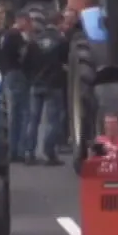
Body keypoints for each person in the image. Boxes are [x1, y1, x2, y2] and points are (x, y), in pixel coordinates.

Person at [29, 10, 76, 165]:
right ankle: (49, 152)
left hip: (37, 82)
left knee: (33, 120)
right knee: (52, 120)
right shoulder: (61, 41)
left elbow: (27, 61)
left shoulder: (36, 40)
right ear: (59, 22)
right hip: (54, 83)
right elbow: (66, 61)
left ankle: (29, 152)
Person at [0, 12, 33, 162]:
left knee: (13, 114)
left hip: (7, 74)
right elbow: (24, 55)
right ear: (21, 20)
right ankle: (20, 149)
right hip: (17, 74)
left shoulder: (6, 35)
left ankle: (12, 149)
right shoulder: (16, 36)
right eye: (28, 21)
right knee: (23, 113)